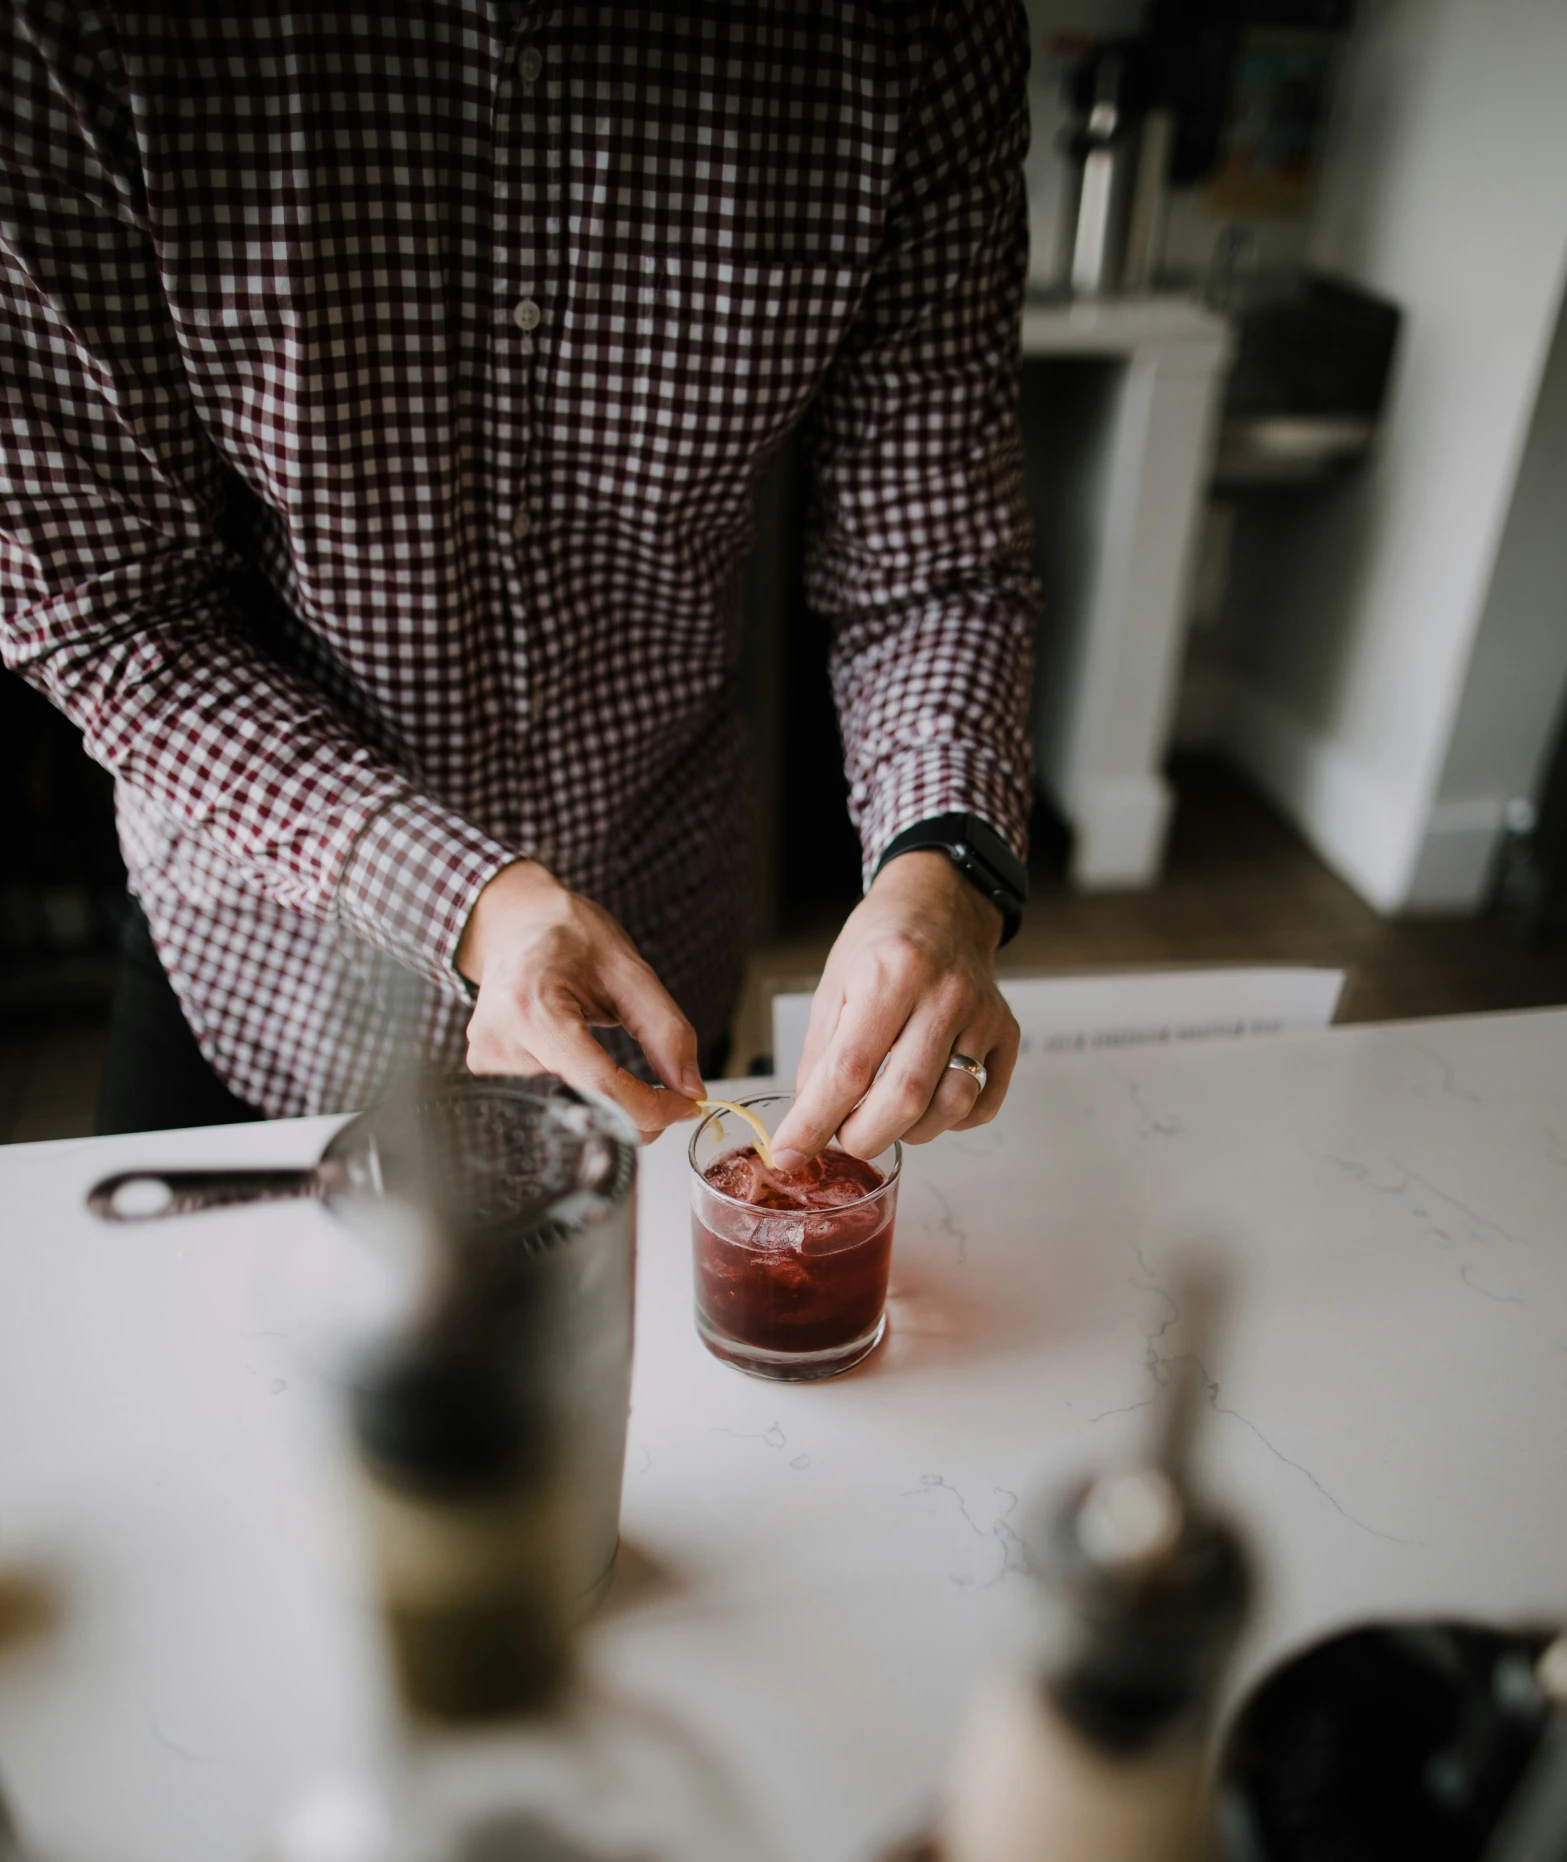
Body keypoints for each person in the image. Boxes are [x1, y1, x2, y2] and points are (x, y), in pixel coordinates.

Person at [0, 3, 1039, 1165]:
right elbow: (110, 609)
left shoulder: (911, 29)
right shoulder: (73, 29)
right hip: (271, 969)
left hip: (664, 936)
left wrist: (940, 867)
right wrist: (473, 901)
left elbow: (932, 565)